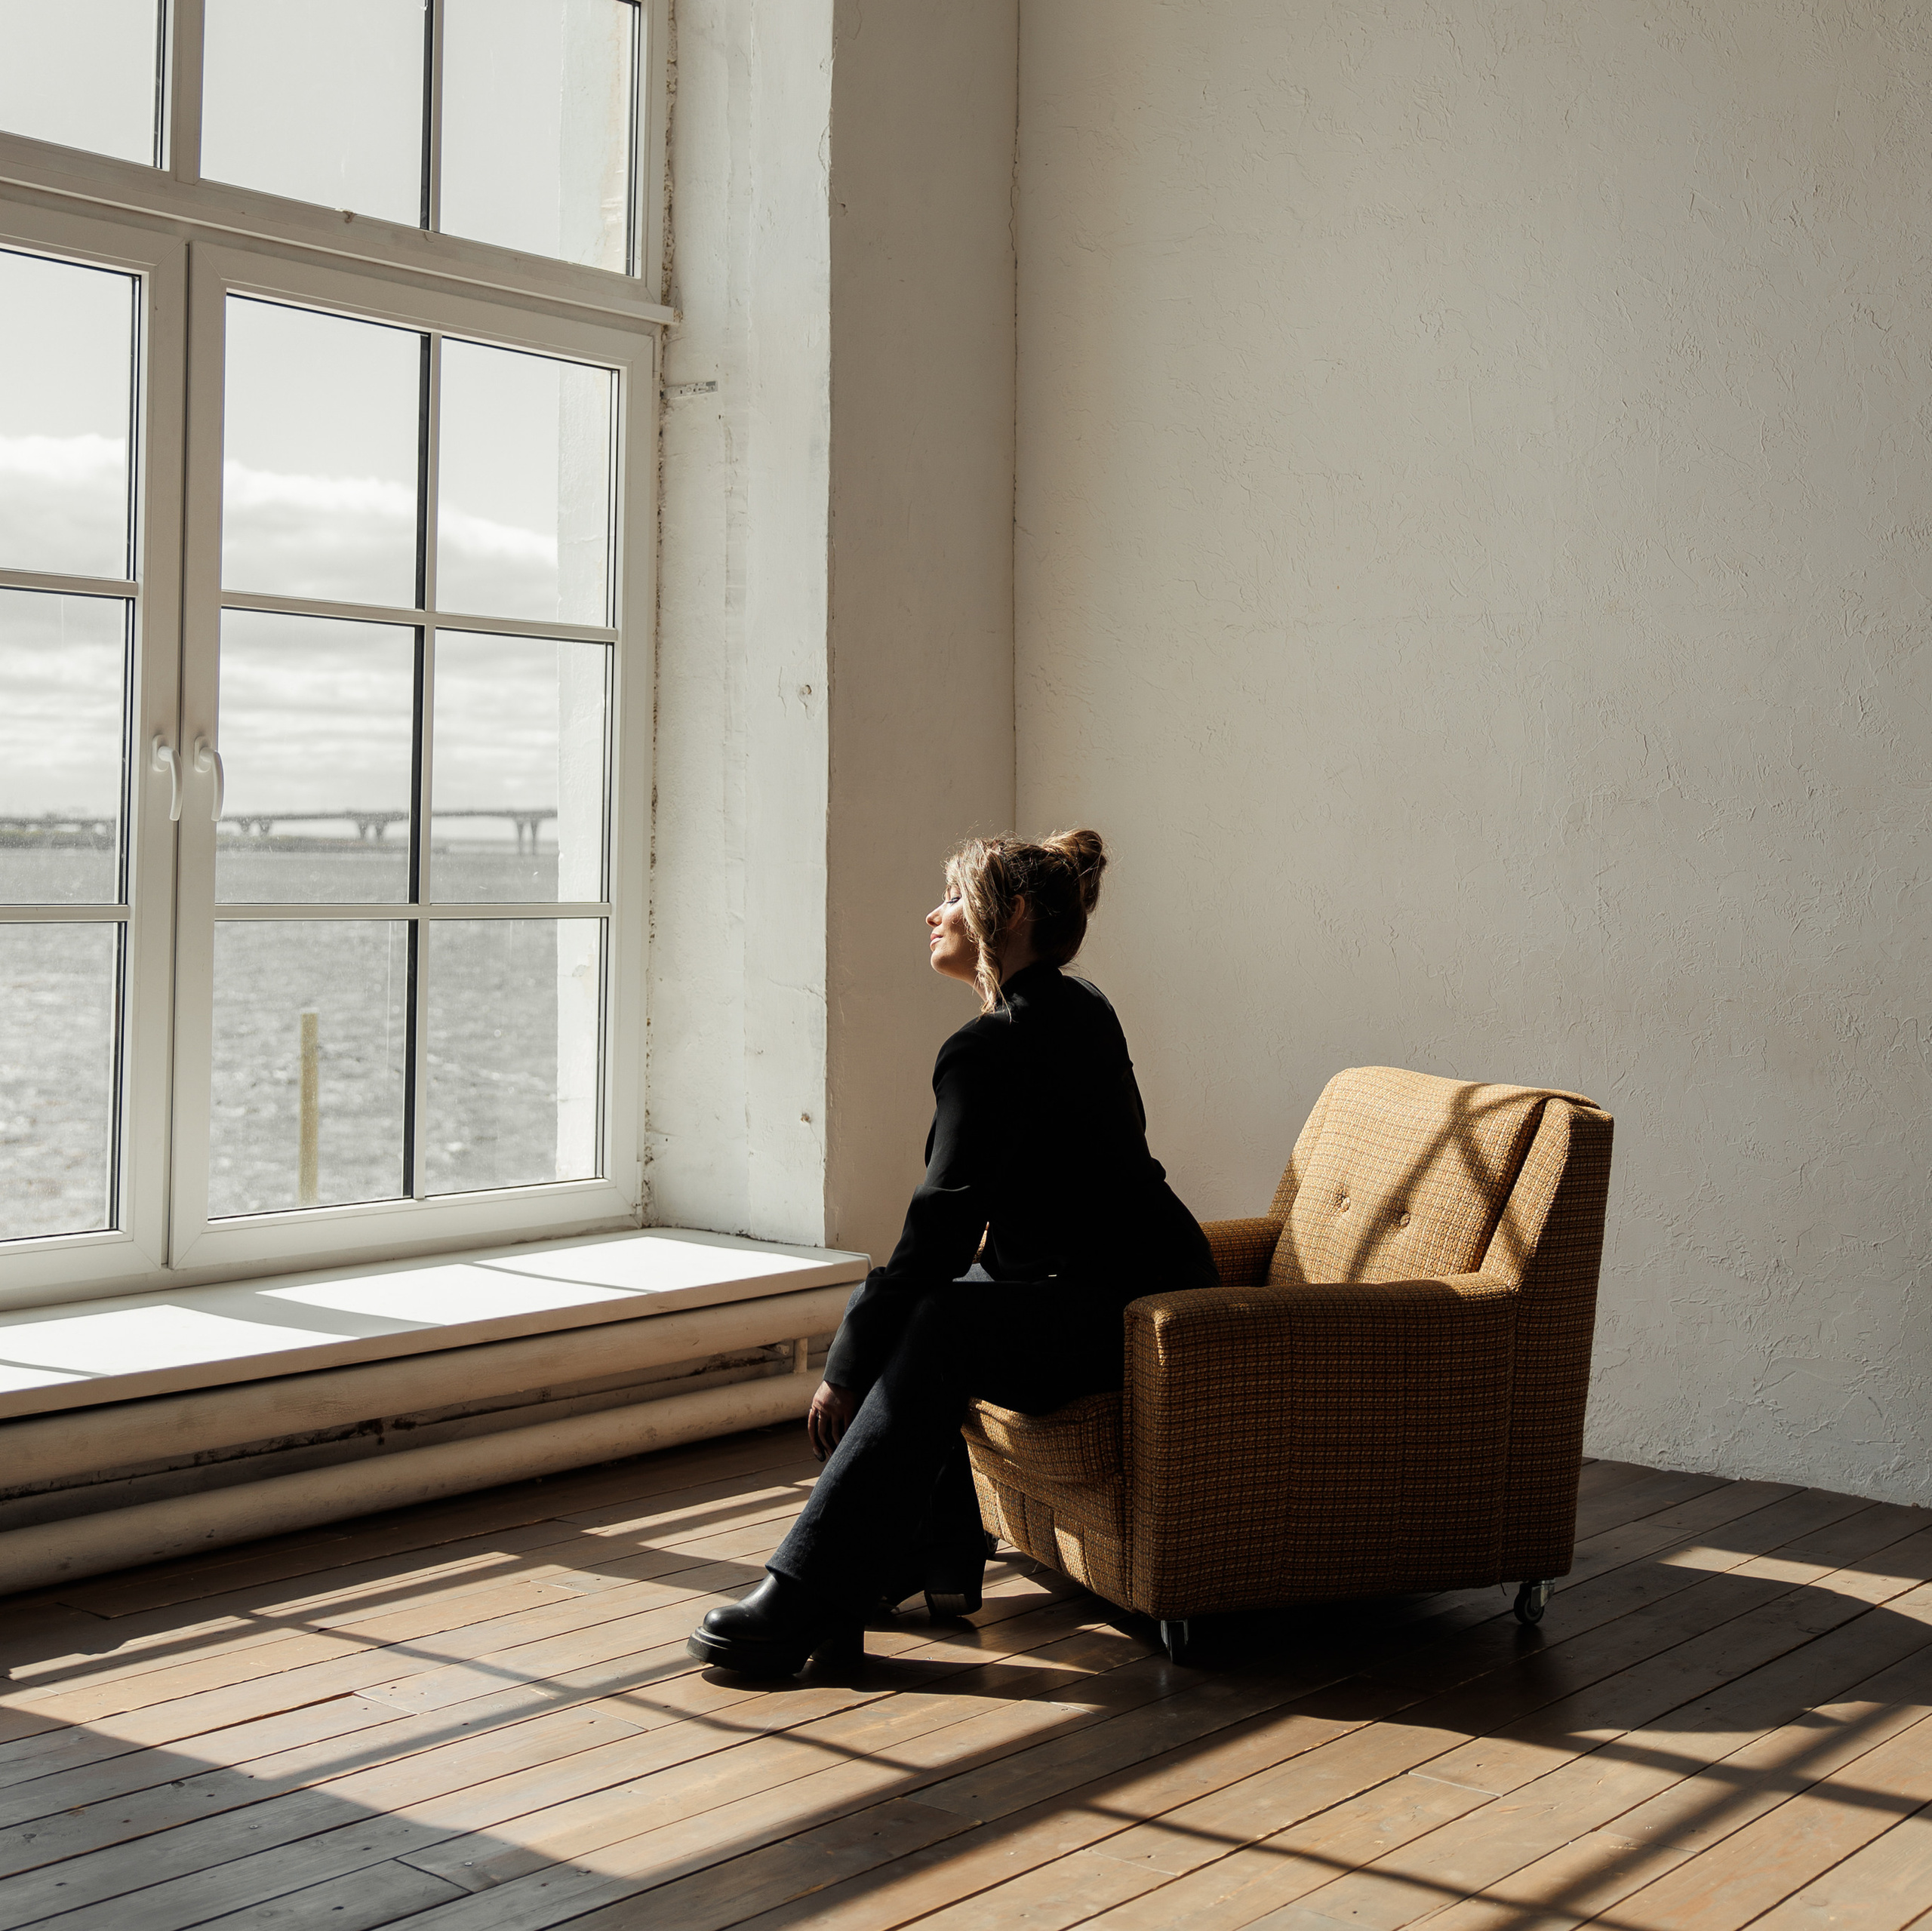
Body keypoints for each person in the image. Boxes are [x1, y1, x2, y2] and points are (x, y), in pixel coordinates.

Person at [688, 828, 1217, 1676]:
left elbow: (938, 1229)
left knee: (933, 1314)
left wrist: (846, 1364)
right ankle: (913, 1560)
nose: (931, 915)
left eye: (951, 899)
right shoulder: (1081, 1006)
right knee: (934, 1306)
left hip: (1127, 1318)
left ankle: (813, 1590)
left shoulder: (990, 1046)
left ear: (1005, 916)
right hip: (1154, 1283)